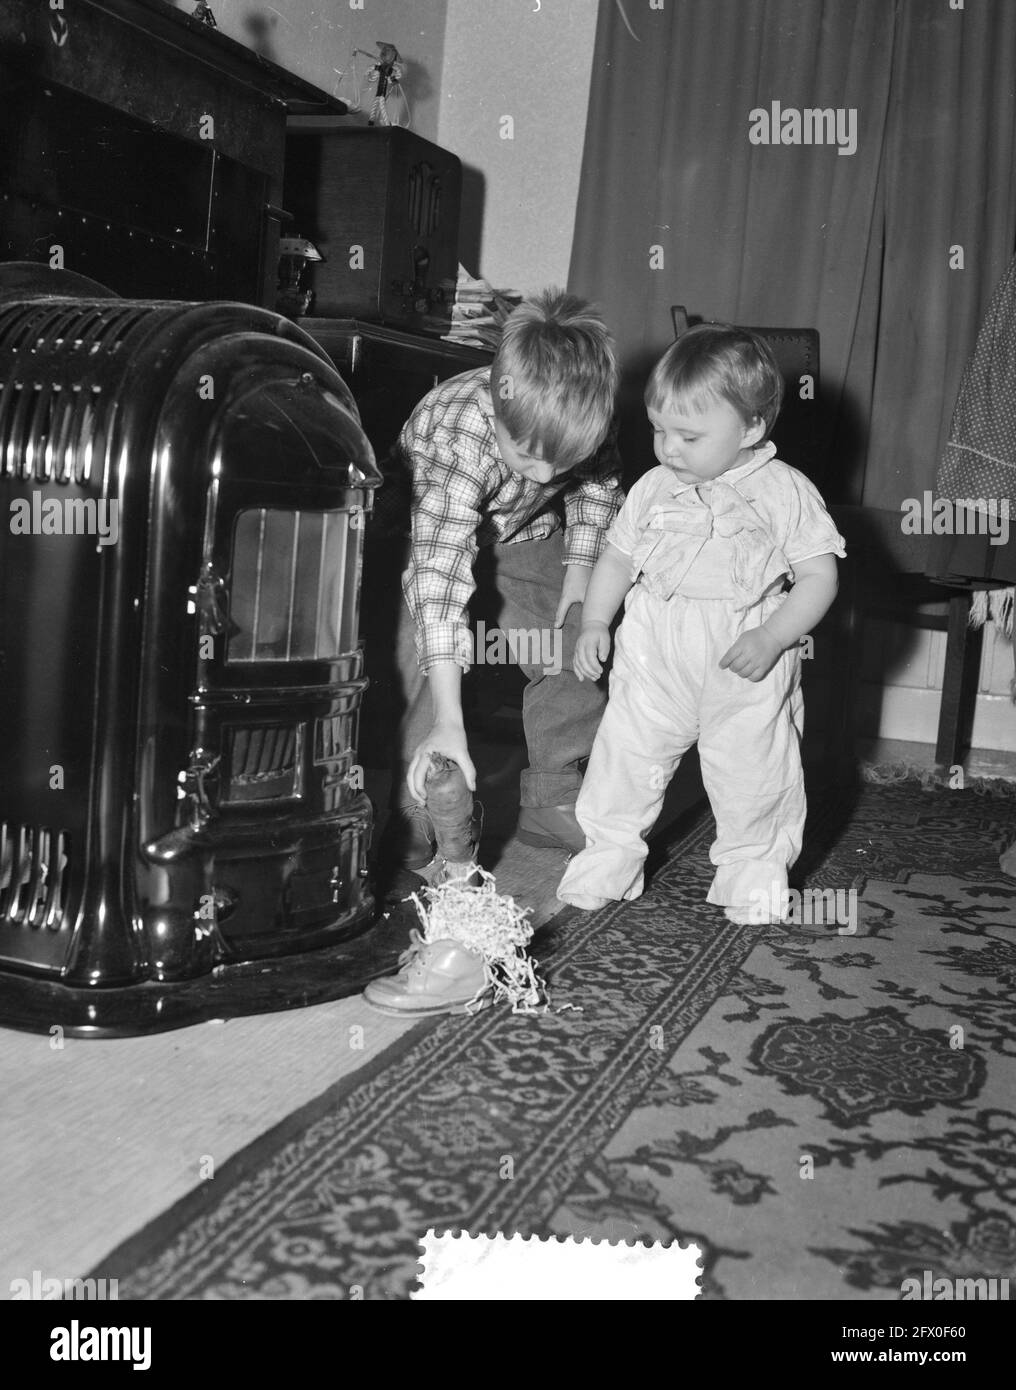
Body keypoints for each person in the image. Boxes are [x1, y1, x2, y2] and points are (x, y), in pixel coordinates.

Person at [556, 323, 845, 923]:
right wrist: (595, 620)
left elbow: (819, 578)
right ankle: (608, 855)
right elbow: (617, 557)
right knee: (623, 759)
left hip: (743, 662)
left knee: (755, 773)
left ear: (753, 428)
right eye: (659, 430)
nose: (669, 448)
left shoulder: (785, 492)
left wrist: (773, 636)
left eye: (688, 435)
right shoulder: (652, 488)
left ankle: (753, 873)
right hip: (653, 657)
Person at [381, 289, 624, 879]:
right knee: (418, 664)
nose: (547, 475)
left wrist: (580, 567)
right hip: (422, 539)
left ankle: (552, 794)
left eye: (561, 463)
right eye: (529, 456)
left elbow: (598, 487)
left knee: (575, 635)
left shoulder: (581, 418)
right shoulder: (459, 437)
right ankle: (414, 818)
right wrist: (450, 718)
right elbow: (441, 572)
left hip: (523, 535)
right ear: (495, 417)